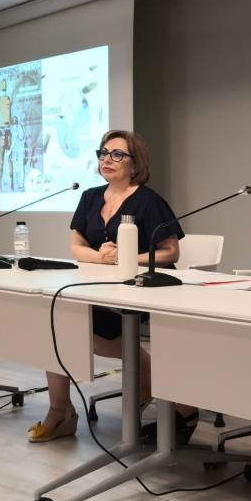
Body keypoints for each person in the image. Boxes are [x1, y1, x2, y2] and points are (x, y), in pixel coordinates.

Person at [27, 130, 193, 443]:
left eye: (117, 154)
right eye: (103, 153)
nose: (107, 159)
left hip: (140, 289)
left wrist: (125, 258)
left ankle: (144, 367)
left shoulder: (149, 201)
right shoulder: (90, 197)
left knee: (87, 331)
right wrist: (101, 259)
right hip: (98, 285)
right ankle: (60, 412)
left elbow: (171, 252)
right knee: (55, 321)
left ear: (135, 164)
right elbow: (77, 245)